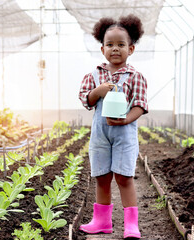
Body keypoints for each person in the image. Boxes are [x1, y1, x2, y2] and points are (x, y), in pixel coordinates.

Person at [78, 14, 148, 239]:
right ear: (102, 49)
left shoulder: (135, 77)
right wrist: (98, 91)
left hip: (124, 133)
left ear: (131, 49)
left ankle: (131, 224)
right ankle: (102, 221)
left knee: (124, 176)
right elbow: (86, 100)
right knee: (102, 176)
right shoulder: (94, 75)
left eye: (121, 44)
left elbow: (140, 105)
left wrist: (126, 119)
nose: (115, 49)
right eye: (110, 44)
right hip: (100, 134)